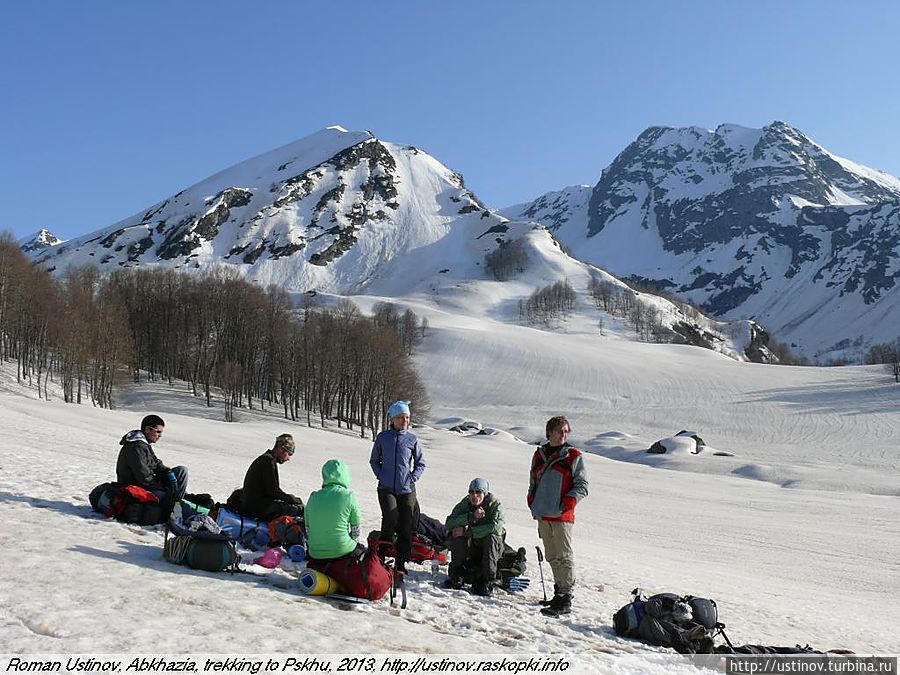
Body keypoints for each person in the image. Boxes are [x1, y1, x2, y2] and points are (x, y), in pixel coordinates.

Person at [527, 415, 589, 617]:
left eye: (566, 431)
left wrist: (569, 502)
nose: (564, 434)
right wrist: (531, 499)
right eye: (560, 430)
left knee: (564, 556)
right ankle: (559, 592)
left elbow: (582, 485)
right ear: (549, 432)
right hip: (544, 513)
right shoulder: (539, 455)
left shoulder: (573, 456)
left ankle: (565, 597)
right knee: (552, 555)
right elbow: (533, 481)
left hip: (562, 516)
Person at [369, 399, 425, 579]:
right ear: (392, 419)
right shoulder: (383, 437)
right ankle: (382, 558)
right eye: (401, 417)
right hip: (386, 488)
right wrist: (380, 475)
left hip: (407, 489)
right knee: (390, 518)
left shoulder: (412, 439)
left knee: (405, 526)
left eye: (407, 417)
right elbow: (374, 460)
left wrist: (412, 477)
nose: (405, 421)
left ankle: (401, 563)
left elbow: (421, 463)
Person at [444, 477, 505, 597]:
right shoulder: (465, 504)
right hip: (472, 547)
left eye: (478, 492)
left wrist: (469, 532)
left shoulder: (495, 505)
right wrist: (470, 517)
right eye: (471, 492)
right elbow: (449, 522)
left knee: (491, 537)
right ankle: (457, 574)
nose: (474, 495)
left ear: (485, 493)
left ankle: (488, 579)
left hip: (491, 549)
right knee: (456, 532)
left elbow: (496, 528)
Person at [116, 414, 188, 503]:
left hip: (148, 484)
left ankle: (176, 501)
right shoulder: (136, 447)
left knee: (181, 471)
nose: (160, 435)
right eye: (158, 432)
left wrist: (166, 471)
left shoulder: (144, 444)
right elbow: (143, 477)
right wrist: (162, 487)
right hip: (136, 489)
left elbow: (155, 462)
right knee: (166, 495)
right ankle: (173, 506)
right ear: (147, 429)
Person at [241, 433, 304, 521]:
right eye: (289, 454)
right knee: (299, 510)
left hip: (253, 505)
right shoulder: (268, 461)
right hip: (257, 508)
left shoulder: (266, 459)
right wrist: (292, 499)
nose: (288, 458)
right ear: (281, 449)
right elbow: (272, 491)